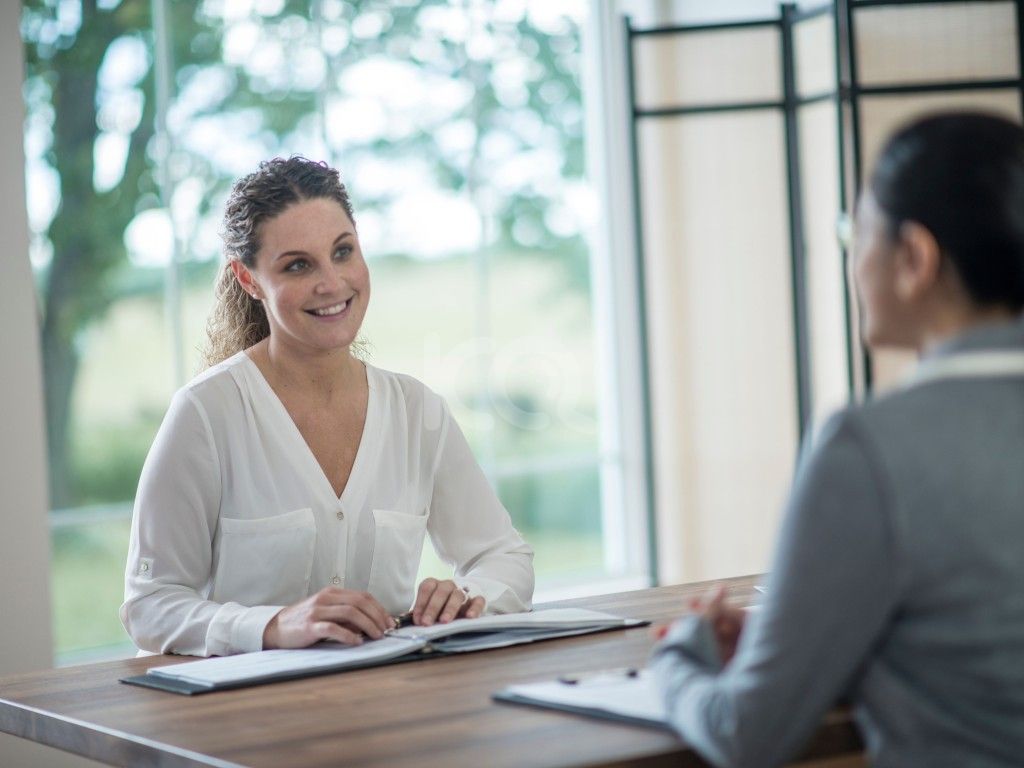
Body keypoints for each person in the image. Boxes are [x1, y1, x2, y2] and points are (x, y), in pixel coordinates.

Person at [651, 111, 1024, 767]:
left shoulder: (871, 446)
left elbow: (747, 733)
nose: (853, 258)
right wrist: (796, 634)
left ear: (914, 257)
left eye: (856, 232)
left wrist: (680, 654)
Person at [121, 157, 534, 657]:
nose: (332, 283)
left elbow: (503, 556)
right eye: (298, 265)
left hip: (383, 711)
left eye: (343, 252)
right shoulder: (207, 414)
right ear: (249, 281)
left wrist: (467, 600)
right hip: (237, 722)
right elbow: (150, 605)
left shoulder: (417, 411)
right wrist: (272, 625)